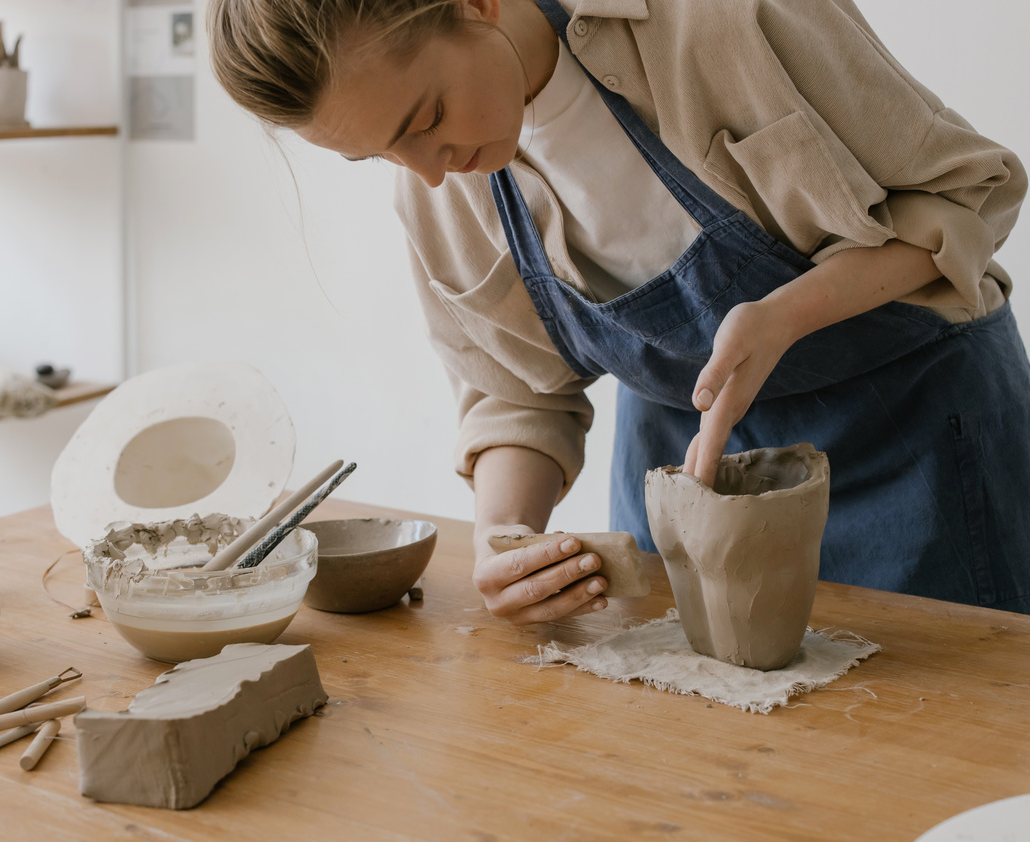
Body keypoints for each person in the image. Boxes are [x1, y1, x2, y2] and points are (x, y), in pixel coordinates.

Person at [208, 0, 1030, 621]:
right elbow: (516, 395)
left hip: (916, 445)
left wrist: (789, 310)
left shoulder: (722, 22)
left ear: (477, 5)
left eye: (423, 120)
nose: (426, 171)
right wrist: (505, 537)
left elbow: (965, 196)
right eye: (377, 153)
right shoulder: (435, 191)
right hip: (680, 472)